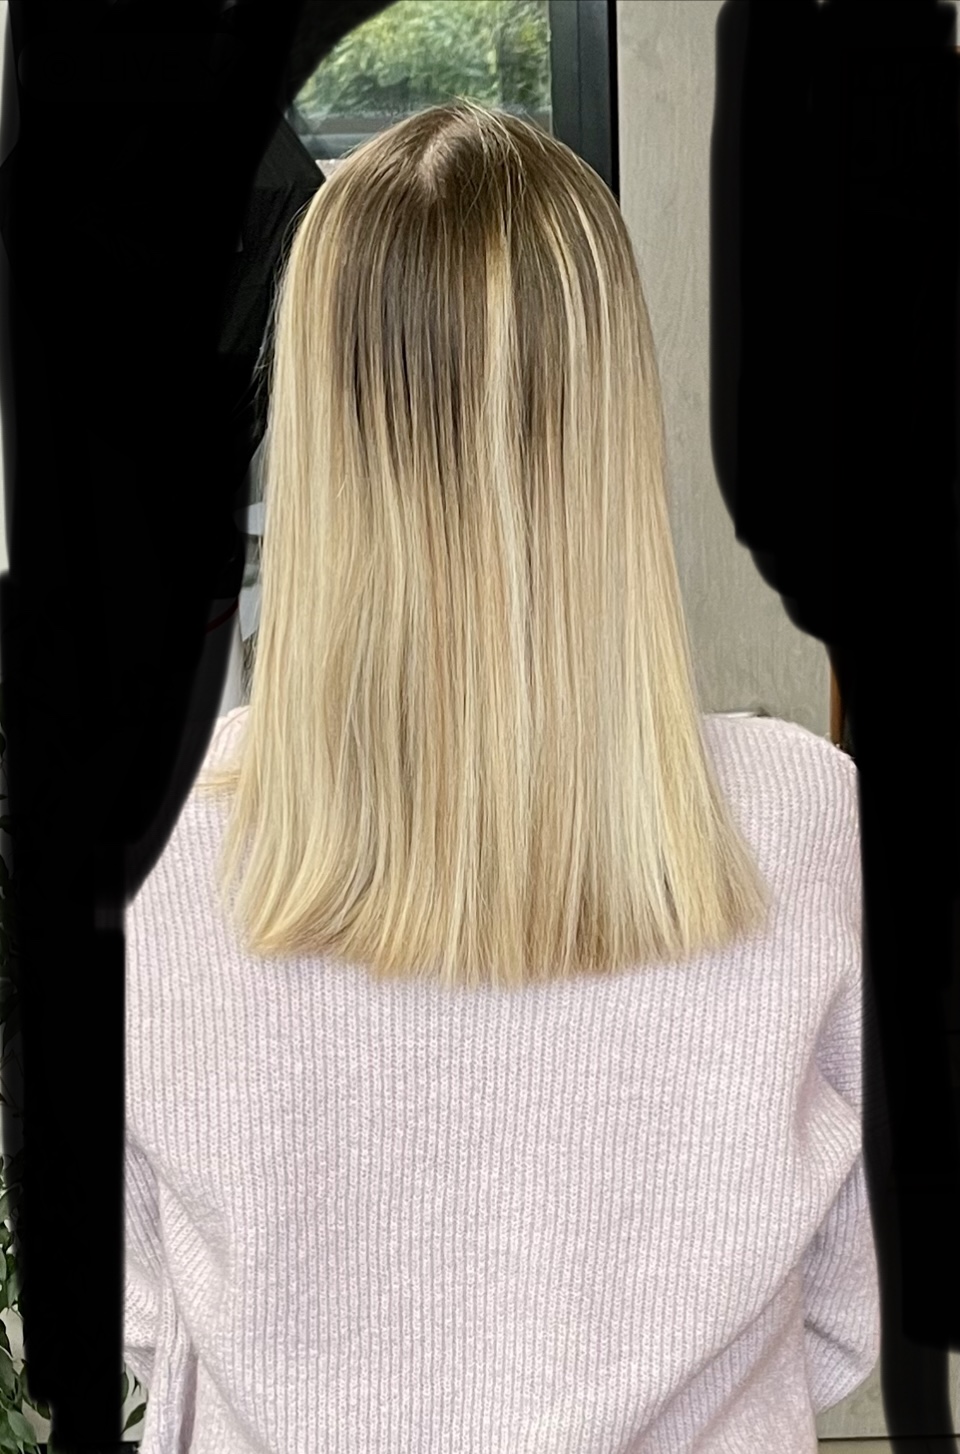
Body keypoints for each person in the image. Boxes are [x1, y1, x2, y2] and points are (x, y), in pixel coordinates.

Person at [124, 99, 878, 1453]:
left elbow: (144, 1306)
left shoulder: (161, 841)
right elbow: (841, 1307)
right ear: (611, 417)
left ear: (319, 430)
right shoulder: (801, 815)